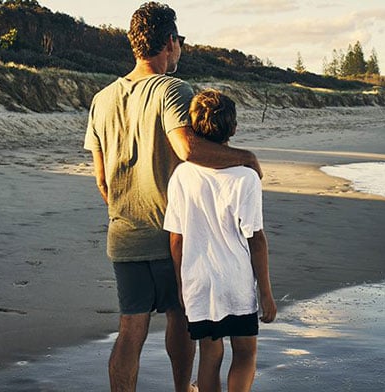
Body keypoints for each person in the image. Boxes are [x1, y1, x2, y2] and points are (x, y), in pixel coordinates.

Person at [83, 3, 261, 391]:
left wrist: (123, 210)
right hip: (170, 233)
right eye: (179, 40)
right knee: (179, 317)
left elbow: (101, 179)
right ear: (169, 42)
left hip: (123, 233)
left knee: (131, 328)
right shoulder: (172, 89)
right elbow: (188, 149)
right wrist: (245, 158)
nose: (180, 47)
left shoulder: (102, 99)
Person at [164, 90, 277, 392]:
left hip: (199, 279)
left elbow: (176, 238)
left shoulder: (182, 175)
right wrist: (265, 293)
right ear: (234, 129)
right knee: (245, 352)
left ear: (193, 128)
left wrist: (180, 283)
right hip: (236, 281)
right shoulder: (246, 177)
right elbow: (256, 239)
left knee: (210, 355)